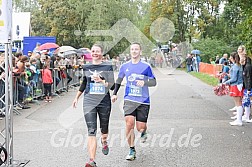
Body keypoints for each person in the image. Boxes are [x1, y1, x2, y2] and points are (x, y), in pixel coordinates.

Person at [111, 42, 157, 161]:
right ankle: (131, 149)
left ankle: (144, 131)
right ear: (130, 51)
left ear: (140, 52)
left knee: (140, 127)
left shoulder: (146, 66)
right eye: (132, 49)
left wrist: (145, 82)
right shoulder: (125, 66)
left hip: (143, 101)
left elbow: (154, 82)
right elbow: (119, 80)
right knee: (129, 123)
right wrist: (114, 93)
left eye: (136, 49)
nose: (134, 51)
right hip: (129, 99)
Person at [72, 44, 114, 167]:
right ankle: (92, 160)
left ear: (102, 53)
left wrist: (101, 81)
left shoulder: (107, 66)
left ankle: (104, 140)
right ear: (91, 52)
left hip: (104, 101)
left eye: (97, 51)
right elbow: (84, 83)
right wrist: (76, 98)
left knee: (104, 129)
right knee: (91, 130)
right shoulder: (86, 66)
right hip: (89, 101)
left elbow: (112, 86)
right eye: (93, 51)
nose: (95, 53)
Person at [223, 52, 243, 126]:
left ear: (234, 58)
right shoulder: (238, 65)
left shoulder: (235, 66)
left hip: (235, 85)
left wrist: (226, 82)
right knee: (238, 103)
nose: (229, 59)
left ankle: (239, 120)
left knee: (238, 103)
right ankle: (238, 118)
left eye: (231, 58)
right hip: (238, 85)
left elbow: (234, 78)